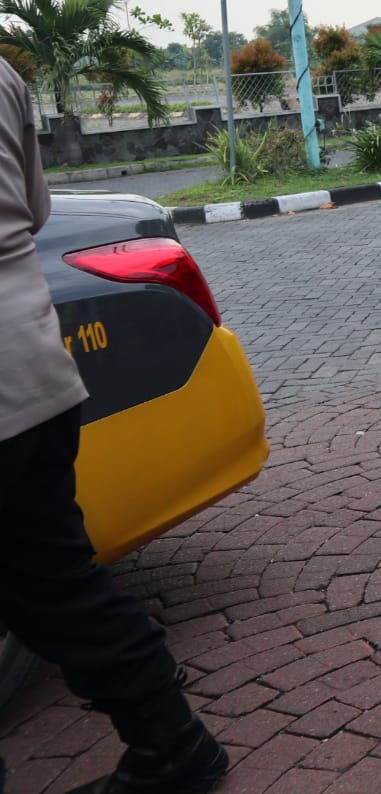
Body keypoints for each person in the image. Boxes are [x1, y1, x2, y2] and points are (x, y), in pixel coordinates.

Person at [0, 58, 228, 794]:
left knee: (53, 585)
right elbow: (32, 212)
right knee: (58, 584)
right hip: (34, 376)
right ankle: (174, 744)